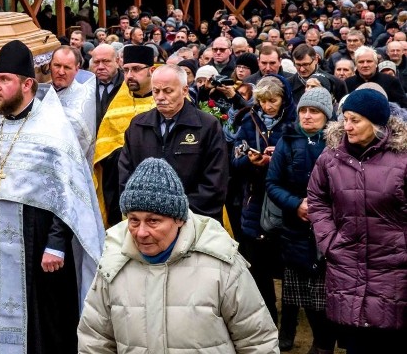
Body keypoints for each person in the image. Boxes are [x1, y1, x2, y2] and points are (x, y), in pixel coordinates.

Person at [0, 40, 104, 354]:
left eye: (5, 80)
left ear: (27, 84)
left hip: (36, 247)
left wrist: (56, 245)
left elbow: (68, 195)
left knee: (39, 328)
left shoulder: (53, 129)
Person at [78, 157, 279, 354]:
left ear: (179, 219)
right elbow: (95, 341)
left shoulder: (222, 266)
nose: (141, 232)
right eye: (133, 220)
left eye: (153, 220)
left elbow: (257, 342)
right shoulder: (112, 265)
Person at [308, 89, 407, 352]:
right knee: (355, 343)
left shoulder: (402, 159)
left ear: (375, 123)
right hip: (347, 267)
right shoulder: (331, 157)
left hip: (393, 270)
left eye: (355, 120)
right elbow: (317, 199)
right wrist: (330, 241)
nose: (347, 126)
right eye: (345, 119)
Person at [265, 88, 336, 354]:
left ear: (326, 115)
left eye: (314, 111)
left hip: (329, 228)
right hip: (295, 228)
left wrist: (322, 208)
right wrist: (296, 204)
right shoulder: (288, 140)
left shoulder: (338, 142)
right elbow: (273, 183)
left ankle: (324, 343)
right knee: (303, 292)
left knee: (325, 294)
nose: (307, 116)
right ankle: (319, 341)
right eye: (303, 110)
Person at [230, 74, 297, 341]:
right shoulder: (248, 122)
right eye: (263, 101)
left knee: (291, 270)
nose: (268, 106)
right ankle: (269, 322)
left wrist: (277, 159)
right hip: (255, 202)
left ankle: (289, 329)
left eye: (274, 100)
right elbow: (235, 162)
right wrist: (251, 160)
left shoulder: (295, 123)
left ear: (284, 99)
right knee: (258, 270)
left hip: (286, 202)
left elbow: (303, 163)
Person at [118, 64, 229, 222]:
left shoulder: (207, 126)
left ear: (184, 90)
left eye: (168, 91)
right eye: (156, 91)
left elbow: (215, 182)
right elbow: (126, 174)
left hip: (194, 220)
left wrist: (175, 213)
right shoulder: (138, 125)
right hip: (147, 221)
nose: (161, 97)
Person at [93, 45, 156, 227]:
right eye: (126, 69)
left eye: (136, 69)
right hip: (121, 186)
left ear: (151, 70)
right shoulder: (118, 103)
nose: (129, 75)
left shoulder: (167, 100)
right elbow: (104, 149)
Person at [49, 46, 96, 162]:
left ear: (77, 68)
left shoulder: (83, 98)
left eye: (67, 67)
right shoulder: (42, 91)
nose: (61, 72)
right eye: (57, 65)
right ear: (50, 65)